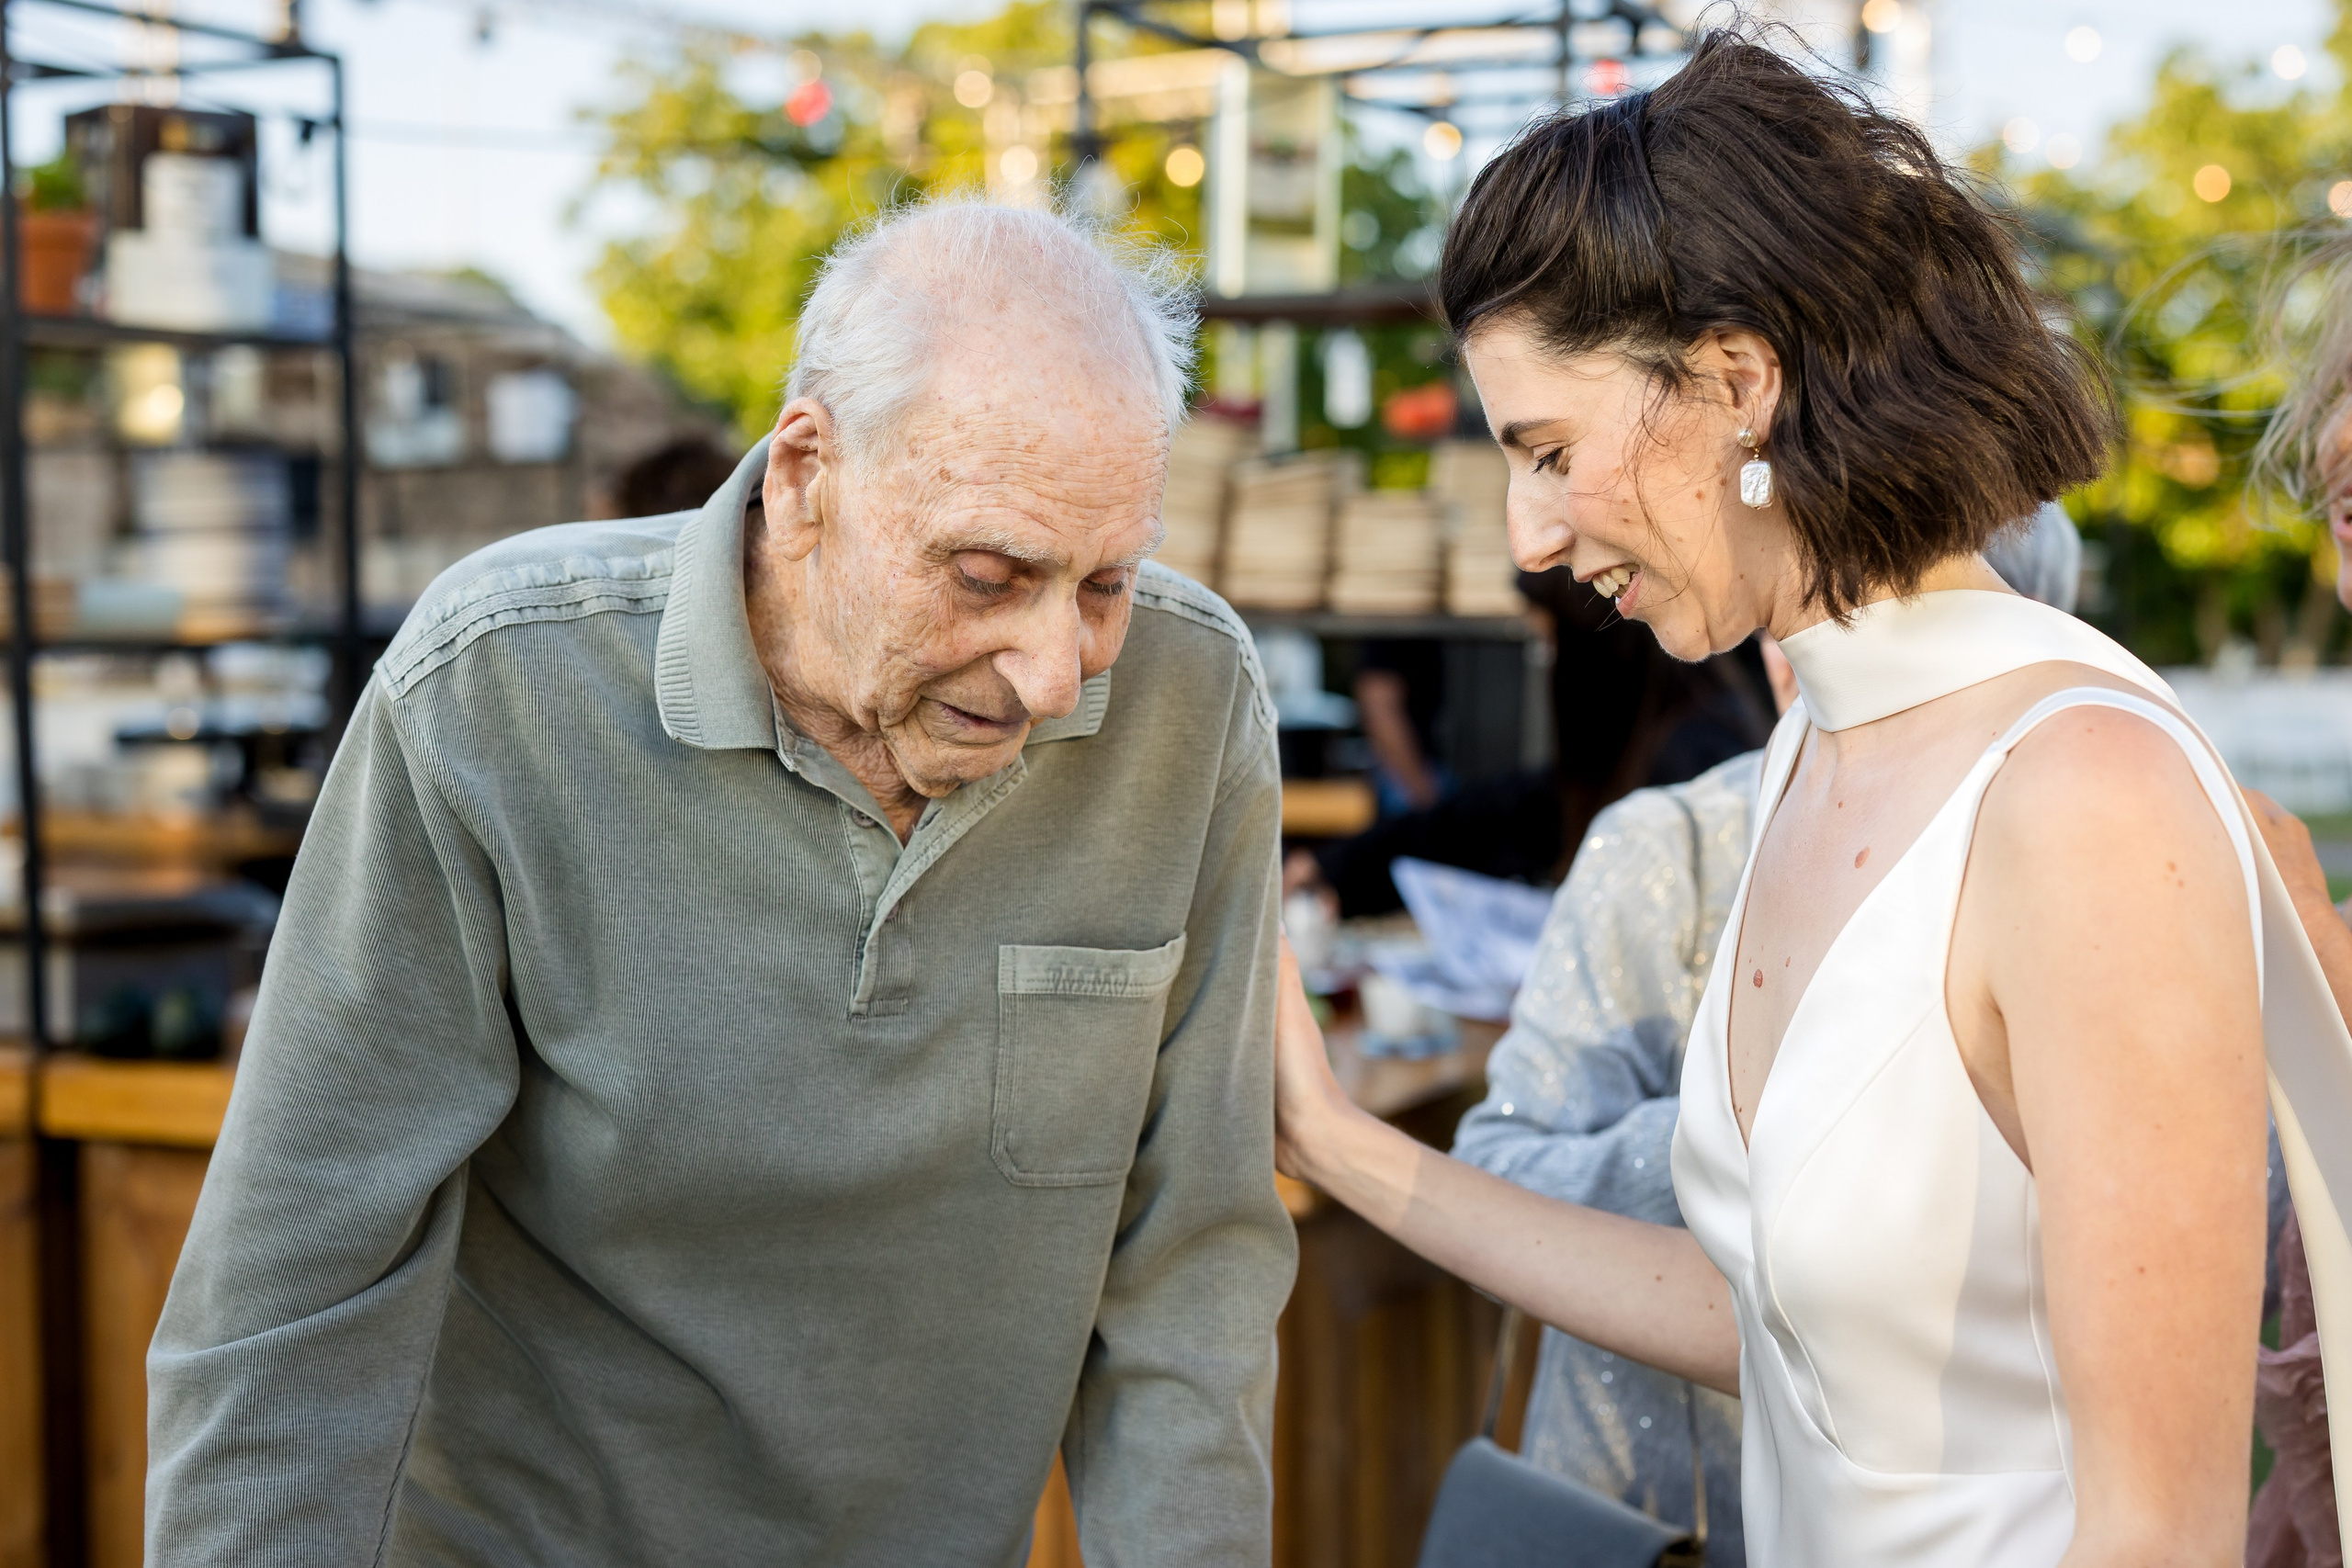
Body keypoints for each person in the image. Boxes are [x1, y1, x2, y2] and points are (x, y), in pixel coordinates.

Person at [1272, 28, 2352, 1568]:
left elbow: (2155, 1536)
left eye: (1551, 449)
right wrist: (1334, 1135)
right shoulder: (1811, 745)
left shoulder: (2083, 793)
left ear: (1737, 383)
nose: (1527, 532)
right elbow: (1779, 1317)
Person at [145, 199, 1297, 1566]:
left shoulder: (1194, 698)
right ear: (808, 474)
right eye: (989, 574)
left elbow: (1189, 1278)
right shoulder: (495, 685)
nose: (1058, 672)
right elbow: (297, 1283)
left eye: (1106, 581)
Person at [1451, 506, 2082, 1567]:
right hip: (1644, 1512)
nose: (1808, 659)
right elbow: (1500, 1164)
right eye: (1798, 617)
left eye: (1883, 623)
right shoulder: (1675, 852)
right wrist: (1741, 1131)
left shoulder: (2075, 868)